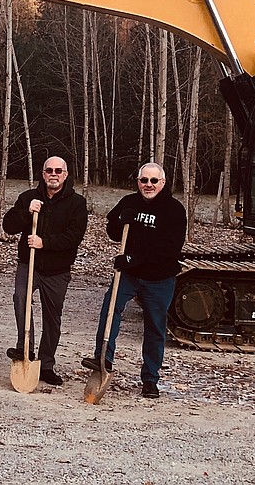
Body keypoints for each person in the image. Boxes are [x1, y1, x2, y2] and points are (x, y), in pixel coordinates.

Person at [83, 162, 186, 398]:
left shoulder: (174, 210)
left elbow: (169, 249)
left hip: (159, 278)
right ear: (138, 182)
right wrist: (120, 220)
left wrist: (133, 258)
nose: (148, 185)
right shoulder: (129, 202)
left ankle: (150, 378)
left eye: (153, 181)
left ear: (163, 183)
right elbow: (113, 231)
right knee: (111, 309)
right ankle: (103, 358)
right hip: (128, 276)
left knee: (155, 328)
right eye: (143, 180)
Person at [1, 155, 87, 386]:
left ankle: (46, 364)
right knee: (21, 298)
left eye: (59, 171)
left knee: (52, 317)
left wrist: (44, 242)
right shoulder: (29, 197)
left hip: (57, 271)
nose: (54, 174)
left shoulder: (76, 203)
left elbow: (74, 236)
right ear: (43, 173)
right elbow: (8, 226)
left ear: (65, 175)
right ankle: (25, 349)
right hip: (29, 264)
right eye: (49, 170)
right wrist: (26, 213)